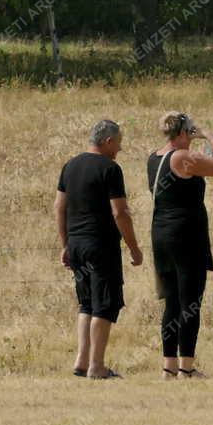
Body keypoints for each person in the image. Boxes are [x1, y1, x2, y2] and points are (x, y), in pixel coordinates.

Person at [147, 112, 213, 380]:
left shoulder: (154, 157)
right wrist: (208, 135)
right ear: (184, 132)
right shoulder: (183, 158)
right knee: (191, 302)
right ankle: (186, 367)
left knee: (172, 302)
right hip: (186, 235)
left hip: (161, 234)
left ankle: (168, 366)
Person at [54, 119, 142, 379]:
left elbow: (59, 207)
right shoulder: (110, 168)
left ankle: (81, 362)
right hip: (101, 245)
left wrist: (66, 244)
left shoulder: (70, 165)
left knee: (86, 304)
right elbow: (120, 212)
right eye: (119, 143)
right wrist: (134, 247)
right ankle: (97, 366)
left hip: (78, 245)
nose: (120, 149)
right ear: (108, 141)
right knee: (104, 304)